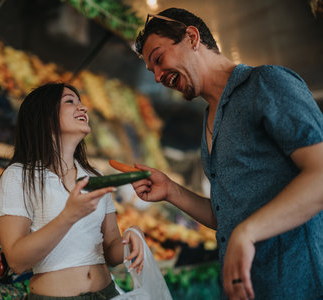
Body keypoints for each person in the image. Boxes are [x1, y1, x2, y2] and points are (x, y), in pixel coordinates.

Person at [132, 7, 323, 300]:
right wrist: (170, 190)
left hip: (299, 287)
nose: (157, 76)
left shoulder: (267, 83)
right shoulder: (209, 119)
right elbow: (228, 216)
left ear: (192, 37)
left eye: (158, 59)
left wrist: (247, 233)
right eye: (151, 71)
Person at [0, 82, 145, 299]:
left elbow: (111, 251)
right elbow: (17, 261)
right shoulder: (18, 176)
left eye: (81, 102)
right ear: (44, 116)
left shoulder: (95, 178)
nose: (83, 108)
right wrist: (68, 216)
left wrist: (132, 237)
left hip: (106, 293)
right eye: (70, 102)